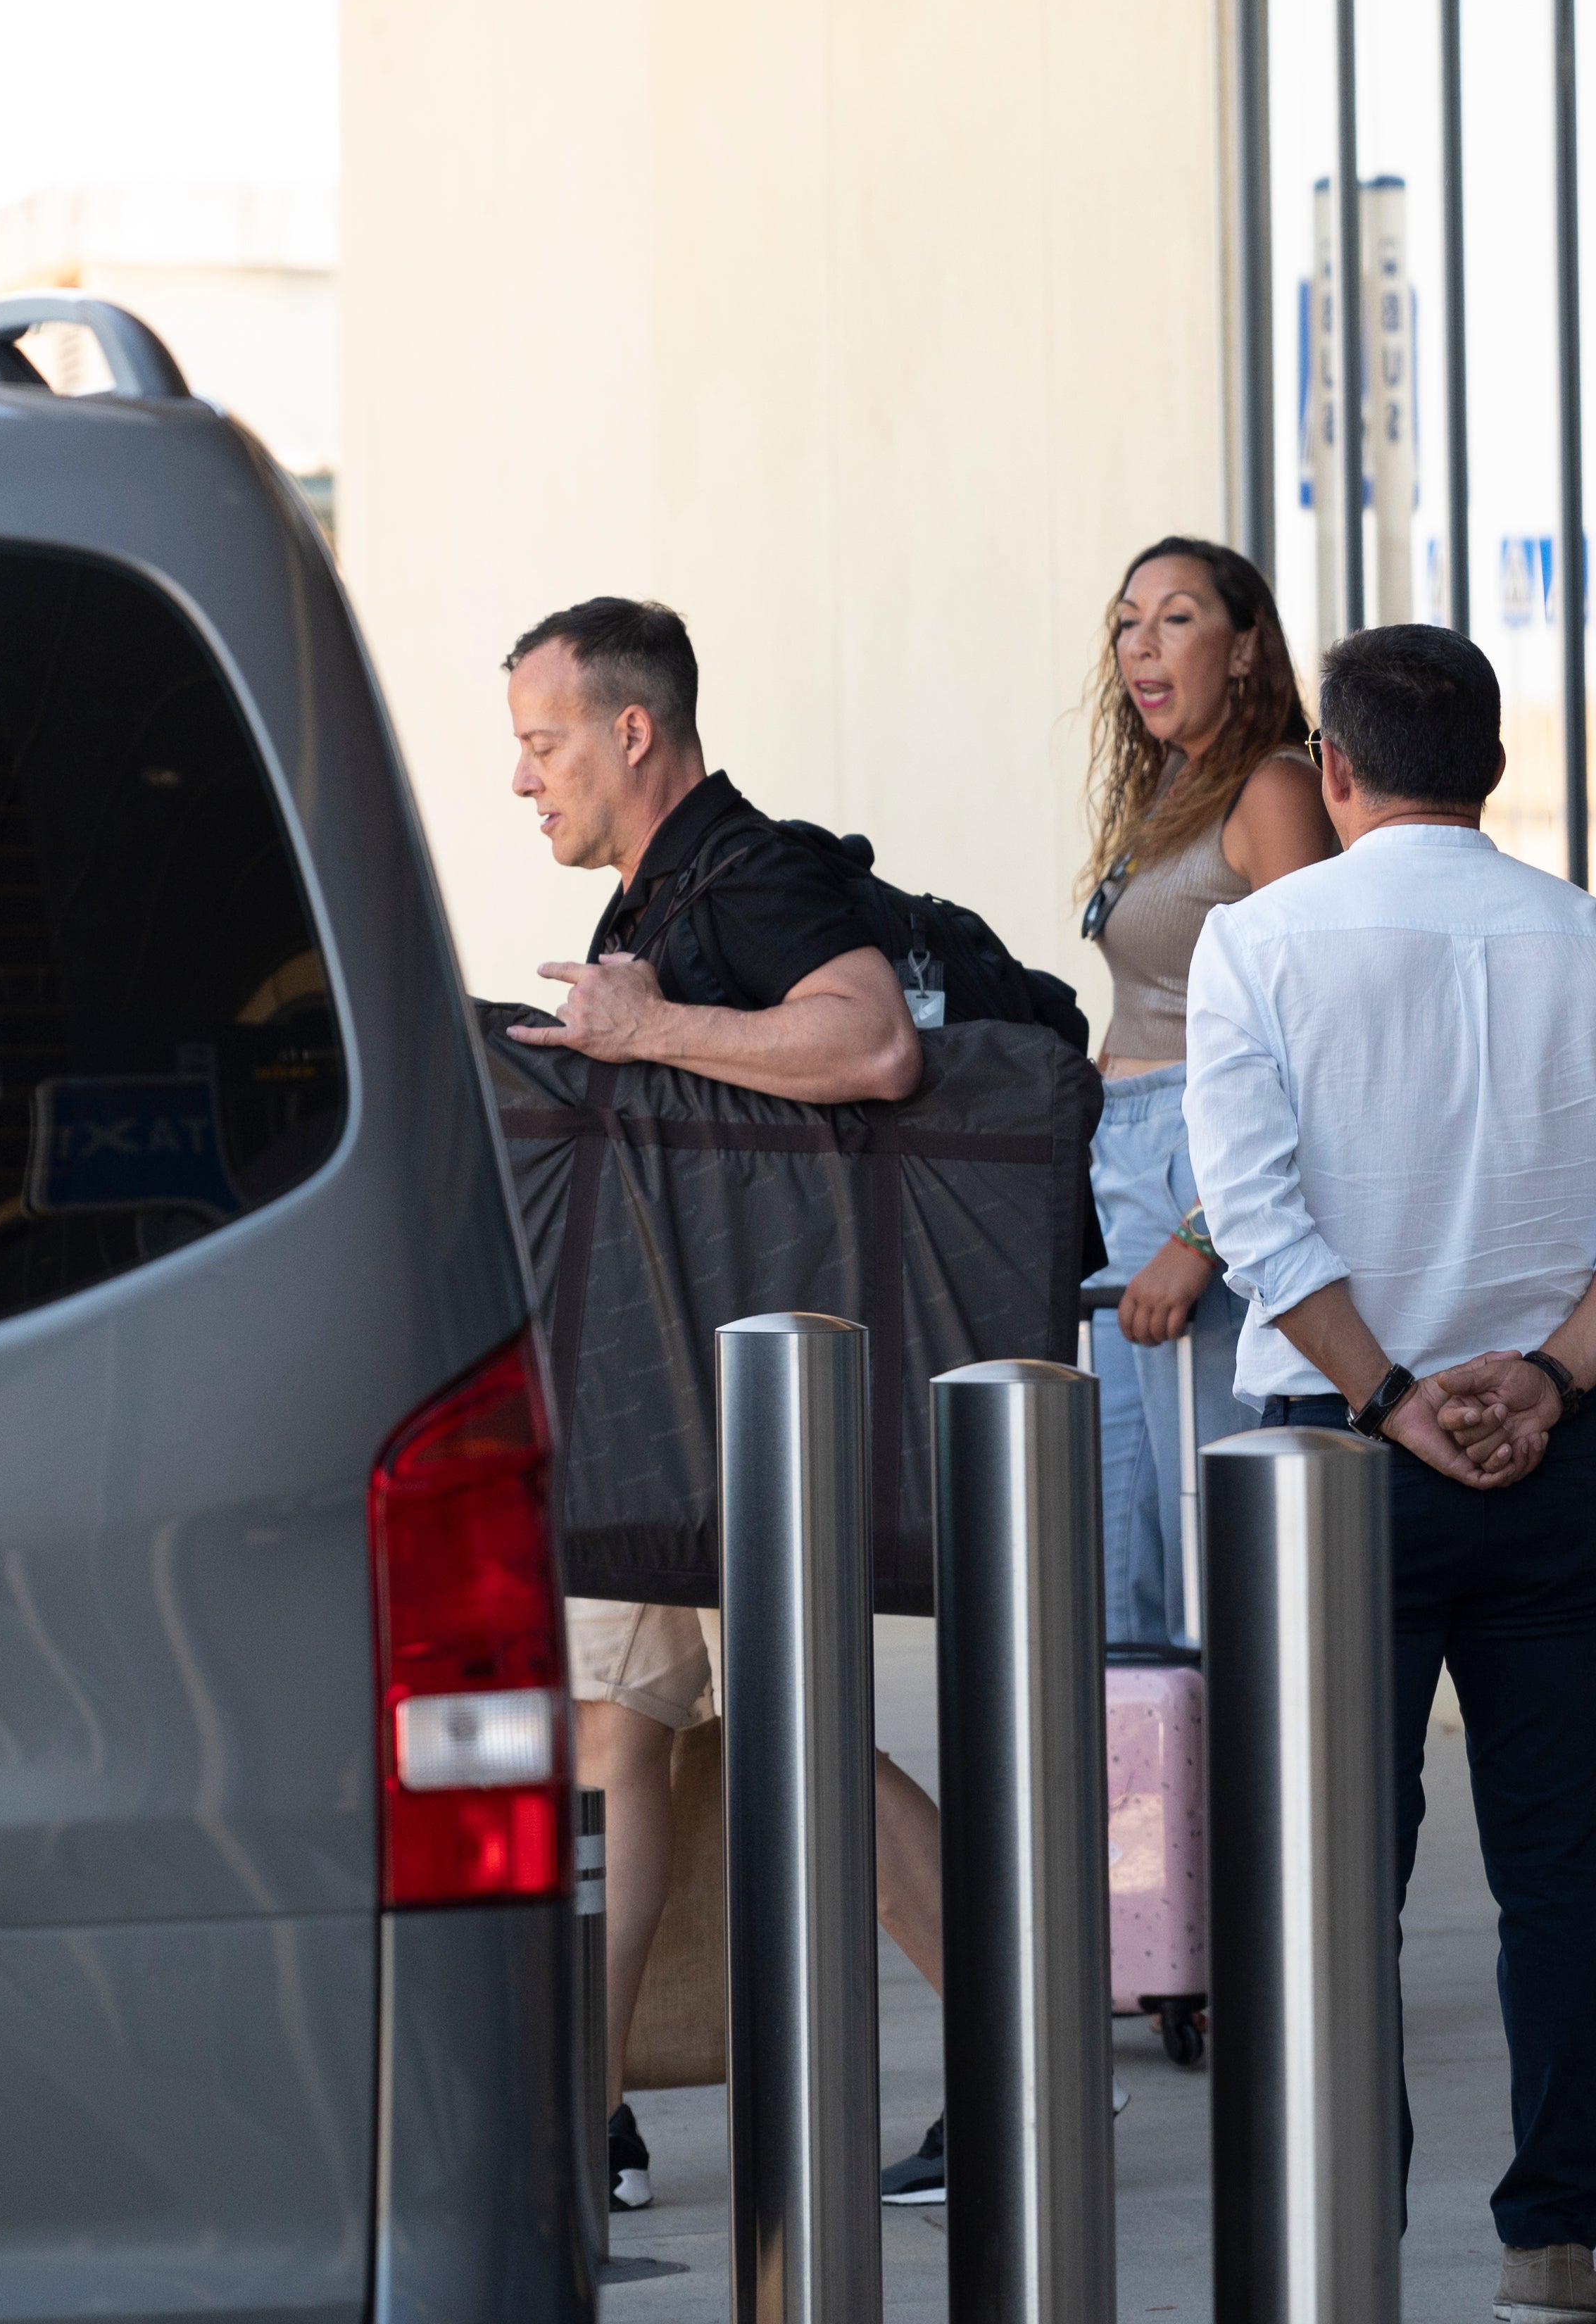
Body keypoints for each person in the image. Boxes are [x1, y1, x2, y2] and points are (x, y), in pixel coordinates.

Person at [1181, 622, 1596, 2324]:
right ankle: (1550, 2244)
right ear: (1489, 765)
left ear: (1333, 771)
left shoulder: (1254, 946)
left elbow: (1257, 1219)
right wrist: (1555, 1374)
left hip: (1324, 1467)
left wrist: (1391, 1394)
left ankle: (1350, 2231)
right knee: (1560, 1866)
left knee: (1330, 1873)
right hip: (1550, 1456)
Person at [498, 593, 959, 2210]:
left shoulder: (750, 869)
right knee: (620, 1730)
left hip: (758, 1395)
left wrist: (643, 1022)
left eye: (543, 742)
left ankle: (1015, 2050)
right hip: (676, 1391)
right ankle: (584, 2111)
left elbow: (873, 1041)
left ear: (635, 732)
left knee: (800, 1734)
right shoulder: (666, 882)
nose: (524, 779)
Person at [1074, 538, 1333, 1647]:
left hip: (1203, 1162)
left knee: (1206, 1552)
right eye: (1129, 619)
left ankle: (1239, 1813)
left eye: (1177, 617)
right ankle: (1148, 1821)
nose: (1142, 641)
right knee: (1119, 1546)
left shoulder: (1274, 785)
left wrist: (1203, 1234)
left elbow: (1315, 1036)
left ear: (1246, 650)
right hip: (1129, 1154)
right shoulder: (1170, 789)